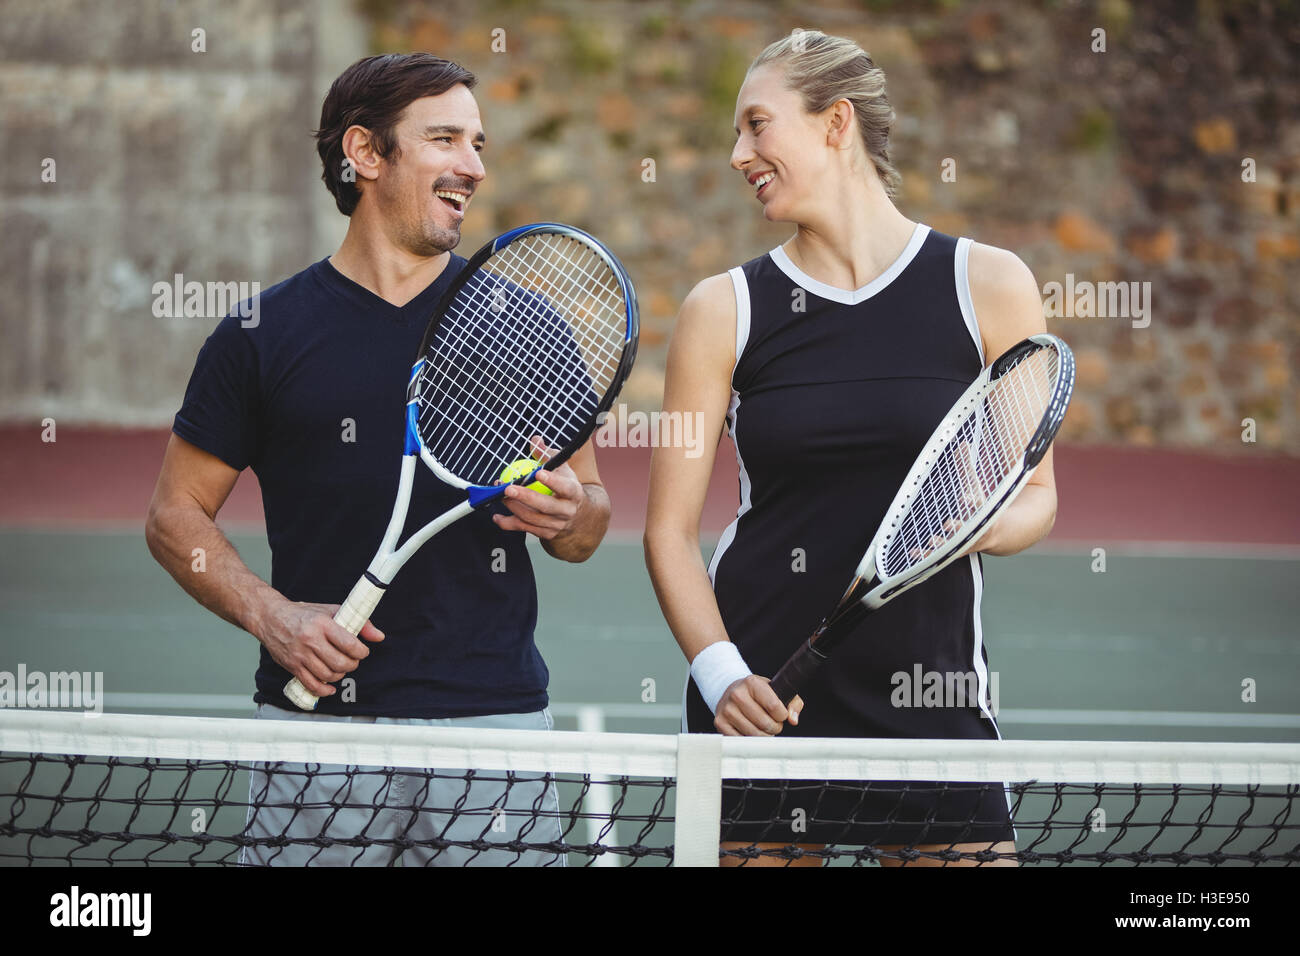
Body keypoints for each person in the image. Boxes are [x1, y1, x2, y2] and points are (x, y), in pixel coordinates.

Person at [145, 53, 612, 866]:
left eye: (478, 143)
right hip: (315, 735)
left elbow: (590, 522)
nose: (473, 165)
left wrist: (572, 515)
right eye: (444, 139)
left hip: (490, 731)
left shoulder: (528, 325)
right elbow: (172, 516)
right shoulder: (261, 334)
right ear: (364, 154)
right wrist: (273, 616)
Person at [644, 31, 1057, 867]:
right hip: (763, 688)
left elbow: (1038, 496)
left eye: (757, 126)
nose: (737, 154)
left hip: (929, 688)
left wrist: (965, 527)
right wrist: (723, 678)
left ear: (836, 124)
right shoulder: (722, 309)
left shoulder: (989, 284)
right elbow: (668, 533)